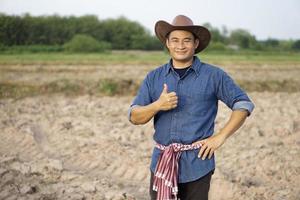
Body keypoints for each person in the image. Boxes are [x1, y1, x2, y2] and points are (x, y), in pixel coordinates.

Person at [128, 15, 254, 200]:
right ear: (167, 44)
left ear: (195, 43)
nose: (180, 46)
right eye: (175, 40)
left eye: (187, 40)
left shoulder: (214, 76)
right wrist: (157, 105)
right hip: (162, 164)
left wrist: (220, 137)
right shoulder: (154, 77)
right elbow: (134, 116)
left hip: (198, 165)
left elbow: (242, 104)